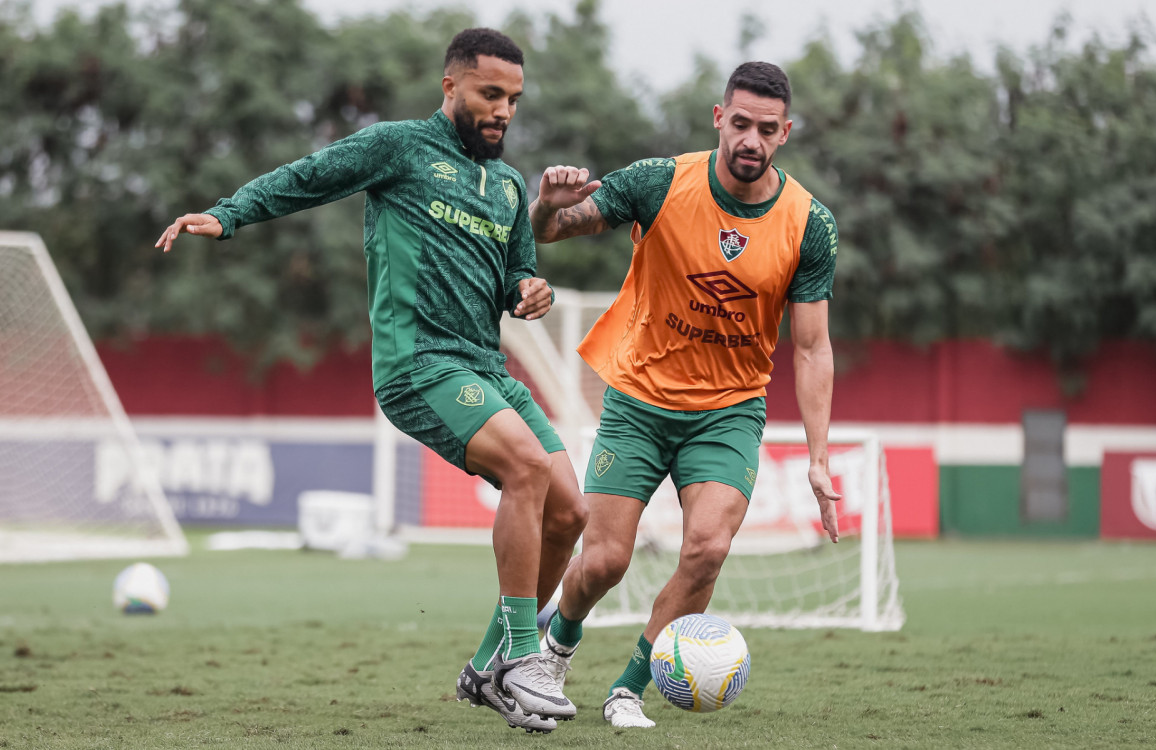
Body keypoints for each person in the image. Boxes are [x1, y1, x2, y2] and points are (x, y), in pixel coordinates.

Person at [155, 28, 585, 735]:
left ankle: (486, 670)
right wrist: (228, 215)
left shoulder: (508, 185)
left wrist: (530, 290)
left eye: (513, 98)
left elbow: (516, 278)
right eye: (489, 94)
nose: (503, 110)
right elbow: (308, 174)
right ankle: (519, 655)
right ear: (450, 88)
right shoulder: (399, 148)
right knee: (529, 468)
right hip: (419, 364)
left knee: (570, 513)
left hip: (487, 369)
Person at [527, 61, 841, 728]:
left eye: (766, 128)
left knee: (707, 549)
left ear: (784, 133)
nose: (750, 139)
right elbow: (554, 230)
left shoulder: (809, 223)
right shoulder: (661, 180)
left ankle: (628, 689)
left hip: (728, 413)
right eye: (740, 123)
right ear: (718, 118)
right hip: (638, 402)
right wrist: (546, 208)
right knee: (604, 562)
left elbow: (812, 347)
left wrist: (818, 456)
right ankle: (559, 640)